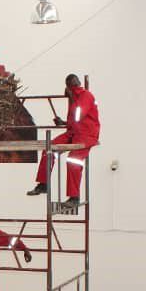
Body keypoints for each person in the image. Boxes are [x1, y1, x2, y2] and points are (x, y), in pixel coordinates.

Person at [27, 74, 100, 208]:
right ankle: (43, 184)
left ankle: (74, 198)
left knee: (73, 161)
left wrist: (71, 97)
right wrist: (64, 122)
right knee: (49, 149)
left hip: (86, 136)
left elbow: (78, 115)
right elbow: (75, 121)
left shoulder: (86, 96)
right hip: (73, 133)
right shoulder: (77, 96)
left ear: (70, 86)